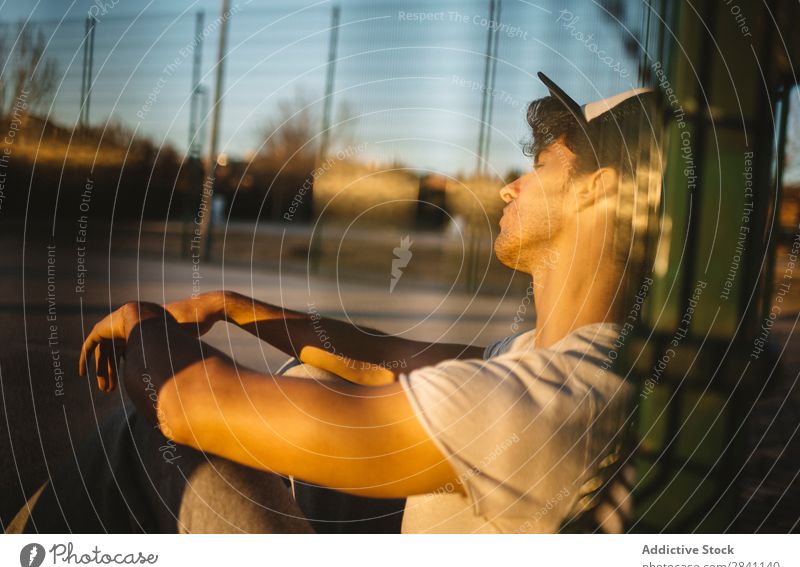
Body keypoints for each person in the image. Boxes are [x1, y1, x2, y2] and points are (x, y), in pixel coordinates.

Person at [10, 73, 662, 534]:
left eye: (543, 165)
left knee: (157, 438)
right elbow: (397, 361)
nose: (508, 188)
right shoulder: (561, 361)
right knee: (314, 376)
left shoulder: (556, 395)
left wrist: (144, 324)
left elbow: (189, 405)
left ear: (596, 190)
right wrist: (237, 306)